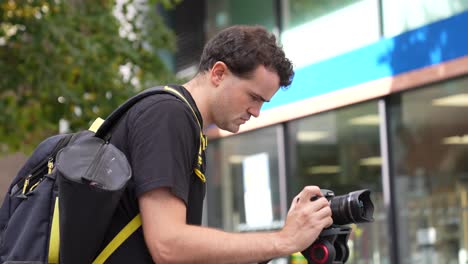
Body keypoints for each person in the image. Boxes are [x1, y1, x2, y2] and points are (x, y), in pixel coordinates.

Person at [105, 25, 333, 263]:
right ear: (218, 73)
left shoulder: (188, 124)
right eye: (254, 97)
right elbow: (168, 245)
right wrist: (284, 240)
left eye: (263, 102)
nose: (256, 112)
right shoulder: (169, 114)